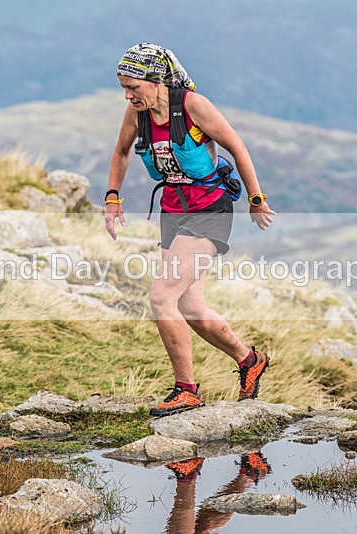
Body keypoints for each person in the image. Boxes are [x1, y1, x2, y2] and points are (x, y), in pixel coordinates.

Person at [104, 43, 275, 416]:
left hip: (210, 209)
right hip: (173, 212)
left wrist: (256, 199)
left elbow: (237, 147)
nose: (128, 95)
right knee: (191, 307)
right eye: (124, 88)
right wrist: (112, 198)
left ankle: (187, 391)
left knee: (161, 297)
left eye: (134, 87)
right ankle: (249, 361)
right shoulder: (138, 114)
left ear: (156, 80)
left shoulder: (193, 106)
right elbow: (121, 153)